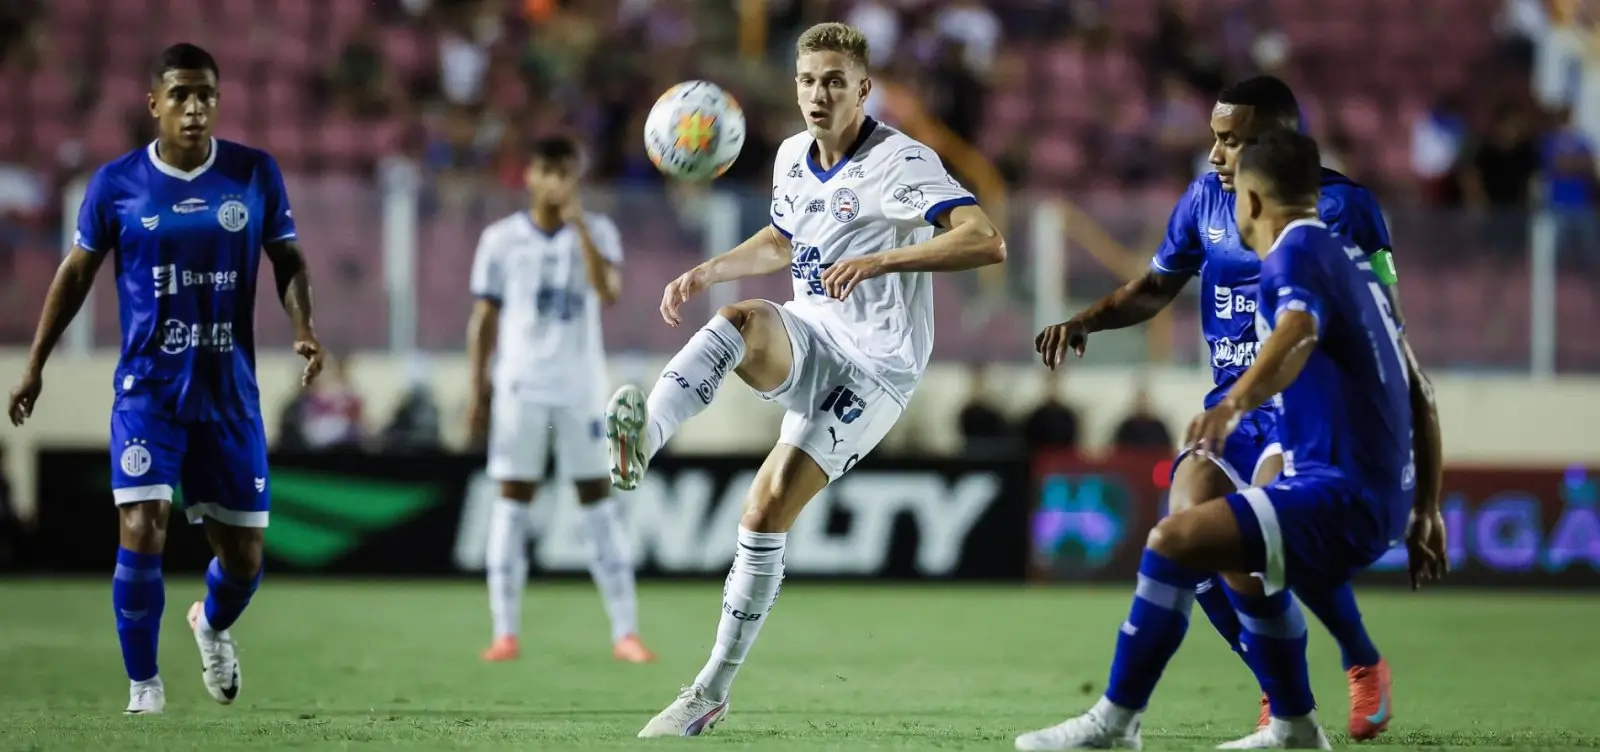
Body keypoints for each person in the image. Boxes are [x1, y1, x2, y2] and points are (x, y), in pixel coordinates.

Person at [606, 22, 1005, 738]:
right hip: (814, 333)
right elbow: (784, 241)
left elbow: (985, 239)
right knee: (740, 319)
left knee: (762, 516)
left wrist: (886, 261)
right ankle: (644, 441)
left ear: (862, 89)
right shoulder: (792, 155)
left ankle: (709, 691)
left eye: (832, 81)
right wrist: (708, 267)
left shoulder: (902, 161)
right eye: (807, 80)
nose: (818, 94)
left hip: (879, 367)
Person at [1033, 75, 1443, 740]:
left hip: (1298, 405)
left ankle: (1360, 660)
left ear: (1277, 145)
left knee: (1268, 541)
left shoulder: (1342, 210)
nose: (1217, 155)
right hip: (1231, 399)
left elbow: (1381, 321)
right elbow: (1157, 286)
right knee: (1189, 528)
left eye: (1234, 142)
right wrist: (1089, 320)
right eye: (1215, 139)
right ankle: (1277, 690)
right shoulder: (1203, 199)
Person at [6, 43, 324, 715]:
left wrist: (302, 328)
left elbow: (288, 260)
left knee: (243, 560)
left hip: (228, 396)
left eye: (205, 94)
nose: (194, 107)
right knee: (143, 522)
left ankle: (210, 624)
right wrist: (34, 365)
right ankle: (143, 687)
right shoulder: (116, 184)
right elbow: (76, 273)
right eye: (180, 94)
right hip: (147, 392)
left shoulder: (253, 174)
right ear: (154, 104)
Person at [465, 136, 653, 664]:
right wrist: (477, 390)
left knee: (597, 501)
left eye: (567, 171)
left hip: (580, 388)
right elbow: (484, 320)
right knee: (511, 502)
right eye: (548, 170)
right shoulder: (501, 240)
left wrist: (580, 228)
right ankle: (505, 632)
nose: (558, 182)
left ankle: (625, 632)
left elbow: (608, 291)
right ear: (529, 175)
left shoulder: (598, 232)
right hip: (520, 386)